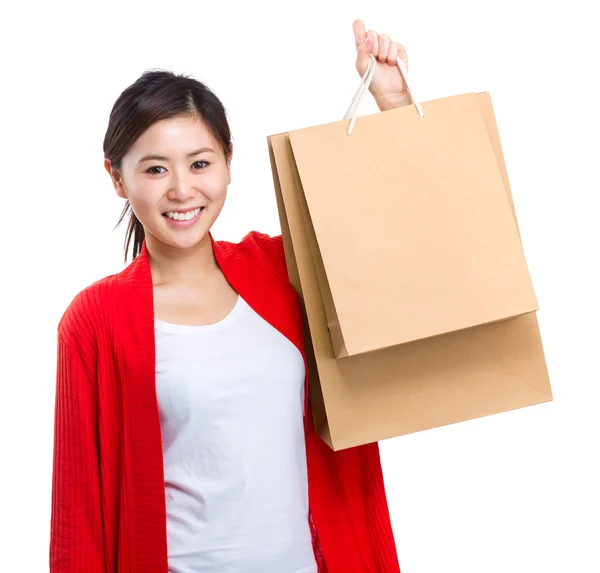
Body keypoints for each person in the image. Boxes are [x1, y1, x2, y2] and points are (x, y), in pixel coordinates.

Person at [50, 19, 412, 573]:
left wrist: (395, 106)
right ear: (117, 178)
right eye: (154, 169)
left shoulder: (281, 269)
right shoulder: (96, 320)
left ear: (227, 162)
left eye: (200, 163)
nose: (181, 189)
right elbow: (77, 514)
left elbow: (405, 247)